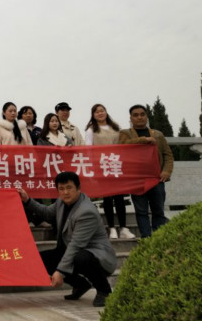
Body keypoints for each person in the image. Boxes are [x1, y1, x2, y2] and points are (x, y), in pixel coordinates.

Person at [17, 172, 117, 307]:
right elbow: (46, 213)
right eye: (61, 189)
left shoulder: (86, 212)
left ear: (78, 188)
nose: (65, 192)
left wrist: (60, 272)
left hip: (98, 257)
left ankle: (104, 291)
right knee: (41, 260)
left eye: (69, 188)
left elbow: (75, 245)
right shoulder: (61, 202)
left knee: (81, 258)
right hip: (73, 250)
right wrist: (27, 200)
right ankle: (80, 285)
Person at [119, 104, 174, 238]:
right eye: (135, 115)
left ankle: (159, 238)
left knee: (158, 211)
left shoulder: (158, 134)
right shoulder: (126, 133)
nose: (139, 117)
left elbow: (168, 155)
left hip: (156, 178)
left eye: (142, 114)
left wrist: (166, 171)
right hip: (137, 179)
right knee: (141, 211)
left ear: (147, 116)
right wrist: (144, 140)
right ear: (131, 118)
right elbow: (123, 146)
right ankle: (146, 239)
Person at [85, 104, 135, 240]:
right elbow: (88, 150)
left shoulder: (115, 127)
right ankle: (112, 228)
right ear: (93, 115)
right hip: (102, 165)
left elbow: (123, 144)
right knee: (107, 197)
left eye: (102, 111)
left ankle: (123, 228)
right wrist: (92, 167)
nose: (100, 113)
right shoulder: (91, 130)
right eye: (97, 112)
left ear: (106, 112)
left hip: (116, 164)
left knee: (119, 197)